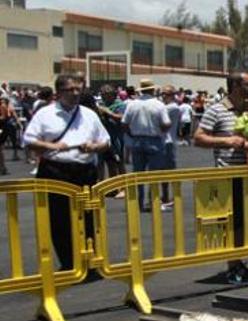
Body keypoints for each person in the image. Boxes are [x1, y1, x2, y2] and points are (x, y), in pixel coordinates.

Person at [22, 74, 110, 270]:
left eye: (79, 89)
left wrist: (94, 147)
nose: (76, 93)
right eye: (71, 90)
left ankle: (88, 260)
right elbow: (28, 140)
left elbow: (105, 141)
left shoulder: (89, 114)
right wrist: (51, 145)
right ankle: (69, 263)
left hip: (84, 170)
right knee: (59, 218)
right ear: (59, 92)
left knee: (87, 216)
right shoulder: (45, 114)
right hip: (55, 170)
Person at [194, 72, 248, 286]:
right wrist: (228, 141)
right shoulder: (217, 110)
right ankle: (233, 265)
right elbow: (199, 138)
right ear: (234, 86)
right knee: (235, 224)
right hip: (229, 175)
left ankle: (244, 260)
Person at [122, 79, 171, 212]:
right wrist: (161, 130)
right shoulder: (158, 105)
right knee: (154, 174)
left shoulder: (132, 104)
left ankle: (139, 202)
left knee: (138, 174)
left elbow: (124, 122)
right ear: (153, 90)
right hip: (154, 140)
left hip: (137, 140)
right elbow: (166, 123)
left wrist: (132, 133)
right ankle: (153, 201)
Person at [96, 84, 126, 182]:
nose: (104, 96)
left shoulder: (120, 104)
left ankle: (122, 187)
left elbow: (121, 118)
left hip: (115, 137)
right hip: (102, 138)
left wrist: (108, 112)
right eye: (103, 94)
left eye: (107, 94)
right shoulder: (100, 104)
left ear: (114, 94)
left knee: (118, 162)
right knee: (102, 163)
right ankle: (105, 187)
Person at [160, 85, 181, 208]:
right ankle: (166, 196)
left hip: (168, 142)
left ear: (173, 95)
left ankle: (171, 197)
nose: (163, 96)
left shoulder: (173, 107)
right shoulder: (165, 106)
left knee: (169, 171)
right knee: (164, 171)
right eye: (162, 93)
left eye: (166, 94)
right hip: (164, 142)